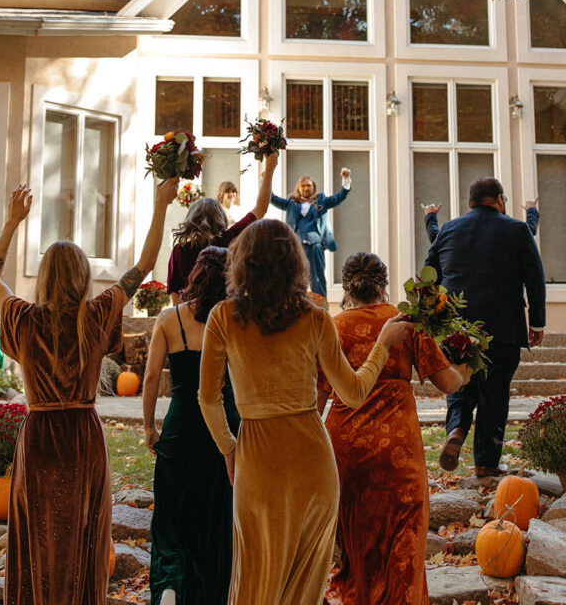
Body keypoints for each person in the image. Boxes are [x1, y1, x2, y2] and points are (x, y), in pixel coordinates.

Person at [0, 177, 179, 605]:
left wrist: (13, 223)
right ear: (83, 275)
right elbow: (145, 265)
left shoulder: (22, 317)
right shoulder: (98, 313)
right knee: (85, 539)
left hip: (37, 439)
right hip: (83, 437)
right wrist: (161, 203)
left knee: (36, 539)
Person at [199, 218, 412, 605]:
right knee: (303, 592)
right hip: (312, 462)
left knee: (253, 584)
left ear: (243, 262)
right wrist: (381, 345)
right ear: (296, 263)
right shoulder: (314, 316)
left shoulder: (223, 318)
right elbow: (353, 392)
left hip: (257, 460)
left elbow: (208, 398)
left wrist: (229, 448)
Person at [317, 252, 471, 605]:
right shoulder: (405, 322)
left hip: (345, 446)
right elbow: (446, 382)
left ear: (347, 287)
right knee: (405, 534)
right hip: (396, 448)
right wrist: (465, 373)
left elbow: (320, 396)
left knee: (356, 540)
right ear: (383, 286)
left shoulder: (332, 327)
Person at [424, 176, 546, 477]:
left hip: (457, 328)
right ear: (499, 200)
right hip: (503, 328)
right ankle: (486, 464)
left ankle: (456, 428)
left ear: (470, 201)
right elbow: (535, 277)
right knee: (495, 393)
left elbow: (430, 273)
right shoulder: (516, 230)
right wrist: (537, 321)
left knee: (460, 383)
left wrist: (433, 320)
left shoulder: (450, 230)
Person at [143, 246, 239, 605]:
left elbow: (152, 376)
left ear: (195, 275)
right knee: (217, 518)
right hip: (224, 428)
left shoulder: (169, 320)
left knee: (173, 517)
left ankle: (170, 586)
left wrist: (149, 427)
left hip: (181, 425)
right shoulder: (234, 318)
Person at [167, 153, 278, 304]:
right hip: (222, 317)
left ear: (191, 218)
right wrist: (270, 168)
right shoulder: (228, 239)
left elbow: (175, 296)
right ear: (220, 218)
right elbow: (261, 209)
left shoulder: (179, 250)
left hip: (189, 316)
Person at [269, 167, 351, 297]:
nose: (306, 188)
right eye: (303, 186)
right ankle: (296, 307)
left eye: (309, 185)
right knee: (294, 277)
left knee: (317, 278)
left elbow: (339, 197)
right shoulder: (291, 202)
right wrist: (265, 179)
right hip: (296, 246)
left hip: (315, 245)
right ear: (299, 188)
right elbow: (272, 199)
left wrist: (346, 180)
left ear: (313, 187)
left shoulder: (321, 201)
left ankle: (321, 308)